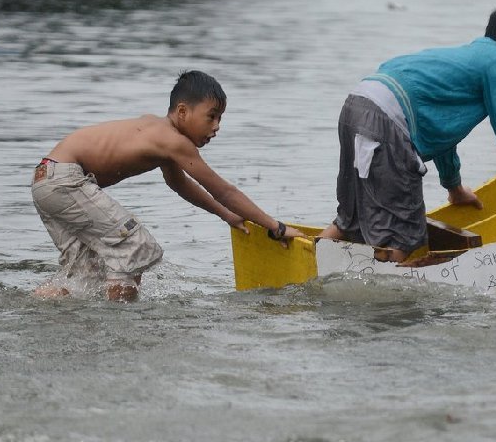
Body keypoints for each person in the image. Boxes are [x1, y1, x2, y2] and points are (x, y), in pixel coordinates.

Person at [319, 1, 496, 263]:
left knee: (350, 219)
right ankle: (383, 295)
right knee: (405, 235)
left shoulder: (471, 57)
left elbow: (442, 131)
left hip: (357, 105)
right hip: (388, 119)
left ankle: (309, 260)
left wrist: (453, 187)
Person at [31, 70, 305, 301]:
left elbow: (178, 183)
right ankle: (119, 325)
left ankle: (37, 305)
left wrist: (226, 215)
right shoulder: (173, 141)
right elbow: (224, 190)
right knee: (136, 247)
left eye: (220, 118)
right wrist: (275, 227)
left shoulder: (158, 131)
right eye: (211, 116)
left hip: (46, 180)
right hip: (66, 180)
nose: (217, 126)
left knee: (86, 275)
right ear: (183, 111)